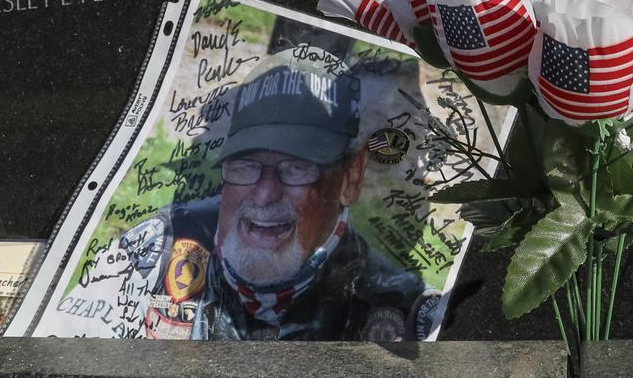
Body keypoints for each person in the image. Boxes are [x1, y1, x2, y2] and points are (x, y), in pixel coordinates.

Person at [126, 47, 431, 340]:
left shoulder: (401, 309)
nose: (264, 194)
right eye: (246, 164)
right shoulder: (155, 249)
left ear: (350, 179)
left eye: (296, 167)